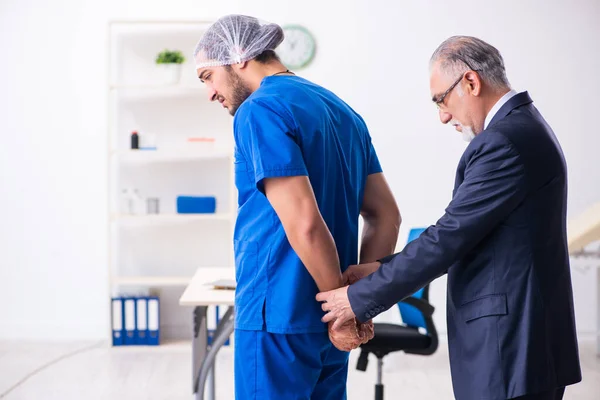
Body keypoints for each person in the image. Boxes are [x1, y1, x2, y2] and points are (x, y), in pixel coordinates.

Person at [317, 36, 582, 400]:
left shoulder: (505, 140)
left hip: (511, 344)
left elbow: (449, 237)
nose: (443, 116)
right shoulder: (522, 129)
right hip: (520, 342)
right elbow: (469, 236)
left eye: (441, 100)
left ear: (471, 83)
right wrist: (380, 268)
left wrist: (358, 298)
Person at [193, 15, 400, 399]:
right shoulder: (342, 112)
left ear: (238, 57)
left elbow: (305, 223)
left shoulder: (258, 110)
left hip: (279, 316)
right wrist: (356, 305)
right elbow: (386, 214)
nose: (209, 92)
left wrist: (341, 309)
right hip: (328, 326)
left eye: (207, 76)